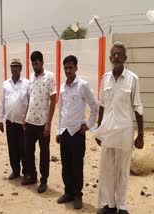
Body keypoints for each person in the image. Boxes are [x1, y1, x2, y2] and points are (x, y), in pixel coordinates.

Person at [94, 42, 144, 214]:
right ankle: (109, 204)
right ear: (110, 58)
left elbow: (138, 107)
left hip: (124, 131)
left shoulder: (133, 79)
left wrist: (140, 135)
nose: (116, 56)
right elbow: (101, 105)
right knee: (107, 168)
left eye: (119, 54)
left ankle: (122, 205)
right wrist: (98, 130)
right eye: (114, 54)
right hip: (107, 131)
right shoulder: (104, 78)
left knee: (122, 169)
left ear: (125, 58)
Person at [56, 55, 98, 209]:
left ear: (76, 68)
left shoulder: (83, 85)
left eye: (70, 68)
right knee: (65, 165)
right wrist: (58, 130)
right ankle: (68, 192)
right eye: (65, 68)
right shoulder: (62, 87)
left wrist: (89, 125)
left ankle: (77, 195)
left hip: (77, 133)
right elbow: (61, 110)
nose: (68, 70)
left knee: (77, 165)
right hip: (65, 132)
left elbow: (94, 106)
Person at [22, 51, 56, 193]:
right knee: (28, 151)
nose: (35, 66)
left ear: (42, 62)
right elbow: (30, 99)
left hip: (43, 123)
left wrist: (48, 123)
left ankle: (44, 181)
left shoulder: (50, 76)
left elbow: (53, 100)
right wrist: (25, 117)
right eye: (33, 64)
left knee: (44, 153)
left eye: (37, 63)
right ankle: (32, 176)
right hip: (30, 121)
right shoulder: (30, 78)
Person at [0, 58, 29, 180]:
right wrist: (0, 119)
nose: (14, 68)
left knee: (24, 148)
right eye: (12, 66)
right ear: (10, 68)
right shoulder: (6, 84)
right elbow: (2, 102)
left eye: (17, 66)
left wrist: (28, 118)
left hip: (23, 123)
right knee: (12, 148)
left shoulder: (27, 83)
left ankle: (26, 172)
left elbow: (31, 101)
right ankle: (15, 171)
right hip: (9, 122)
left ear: (21, 68)